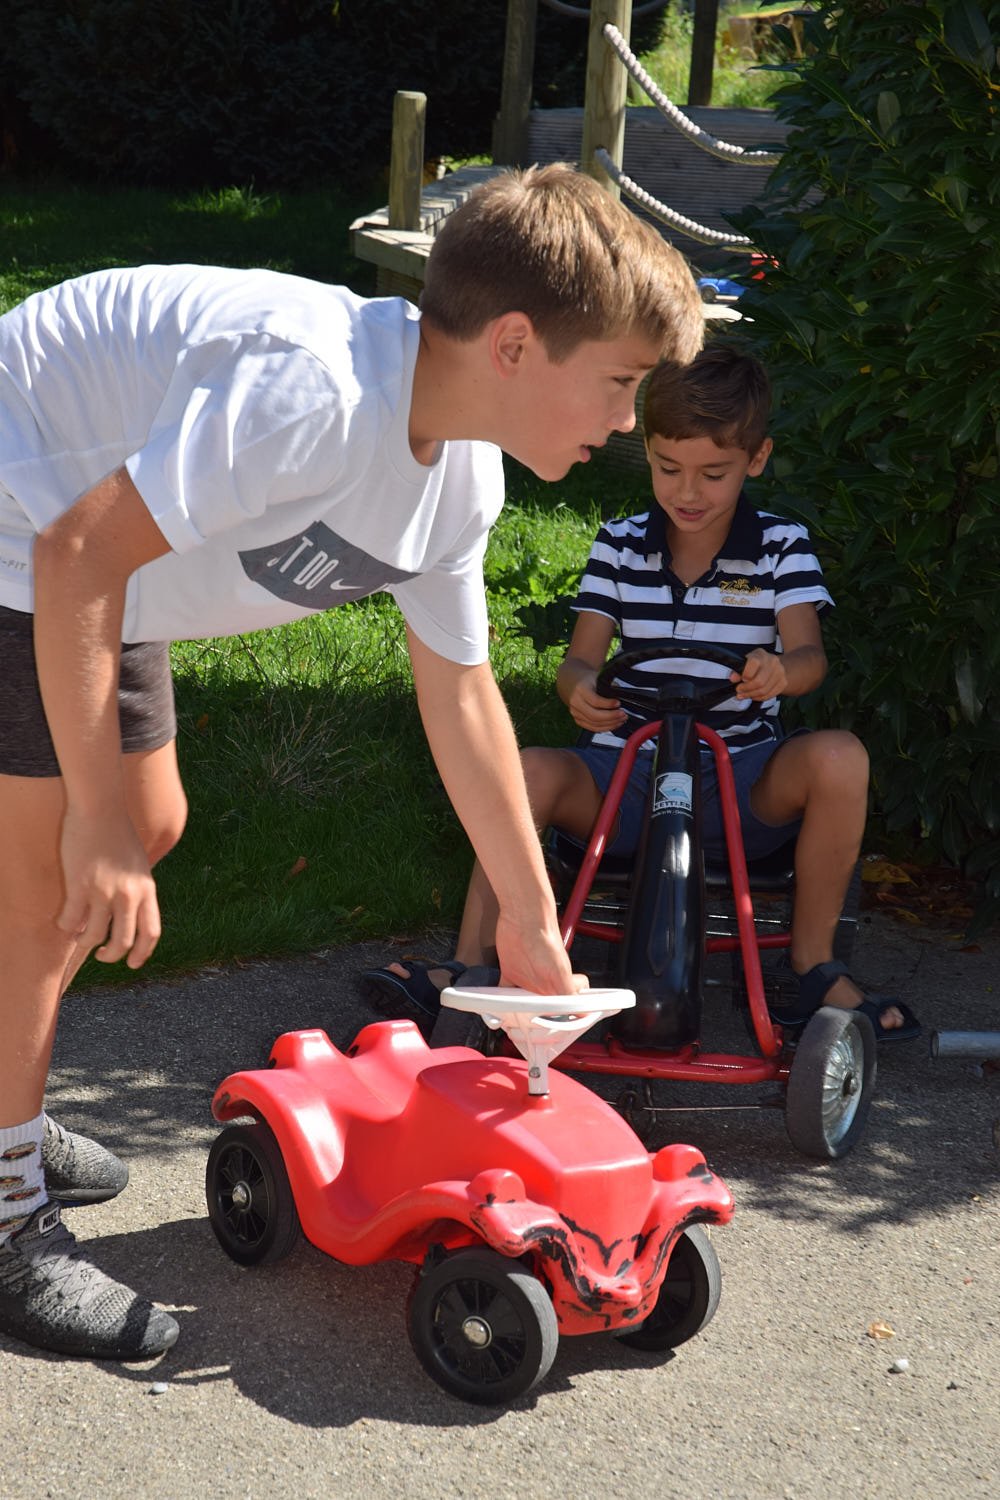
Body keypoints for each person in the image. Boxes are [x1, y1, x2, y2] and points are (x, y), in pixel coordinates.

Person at [0, 163, 707, 1361]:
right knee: (48, 881)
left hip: (107, 558)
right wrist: (92, 824)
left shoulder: (459, 480)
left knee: (149, 823)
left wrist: (528, 916)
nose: (629, 421)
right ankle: (7, 1210)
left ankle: (4, 1104)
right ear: (515, 345)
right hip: (27, 519)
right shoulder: (312, 396)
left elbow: (460, 694)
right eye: (620, 382)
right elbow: (76, 555)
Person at [362, 345, 921, 1046]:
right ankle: (472, 963)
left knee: (840, 757)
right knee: (527, 770)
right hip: (625, 776)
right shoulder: (620, 545)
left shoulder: (780, 546)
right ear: (648, 451)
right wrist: (581, 690)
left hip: (736, 780)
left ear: (756, 459)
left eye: (712, 474)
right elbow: (578, 663)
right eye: (668, 468)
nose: (688, 492)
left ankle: (813, 966)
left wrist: (781, 671)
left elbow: (810, 657)